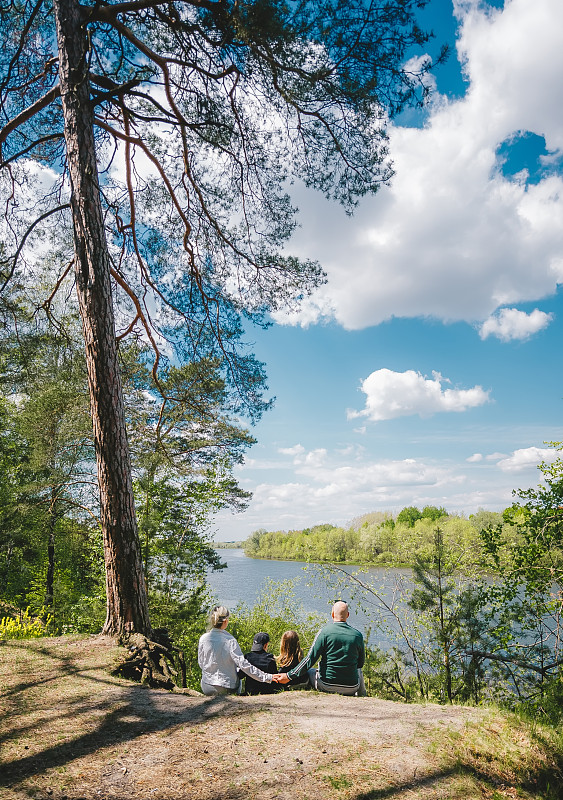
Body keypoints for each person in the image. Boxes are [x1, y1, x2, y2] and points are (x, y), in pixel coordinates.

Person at [278, 601, 366, 696]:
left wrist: (288, 676)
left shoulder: (324, 632)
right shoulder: (358, 635)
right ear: (348, 615)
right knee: (358, 670)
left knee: (310, 671)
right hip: (352, 688)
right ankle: (362, 695)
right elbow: (360, 663)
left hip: (327, 685)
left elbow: (309, 659)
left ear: (332, 614)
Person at [198, 606, 283, 695]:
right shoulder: (230, 641)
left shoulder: (203, 638)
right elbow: (244, 665)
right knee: (238, 675)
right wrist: (268, 677)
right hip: (227, 687)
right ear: (226, 621)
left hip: (208, 686)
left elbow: (201, 663)